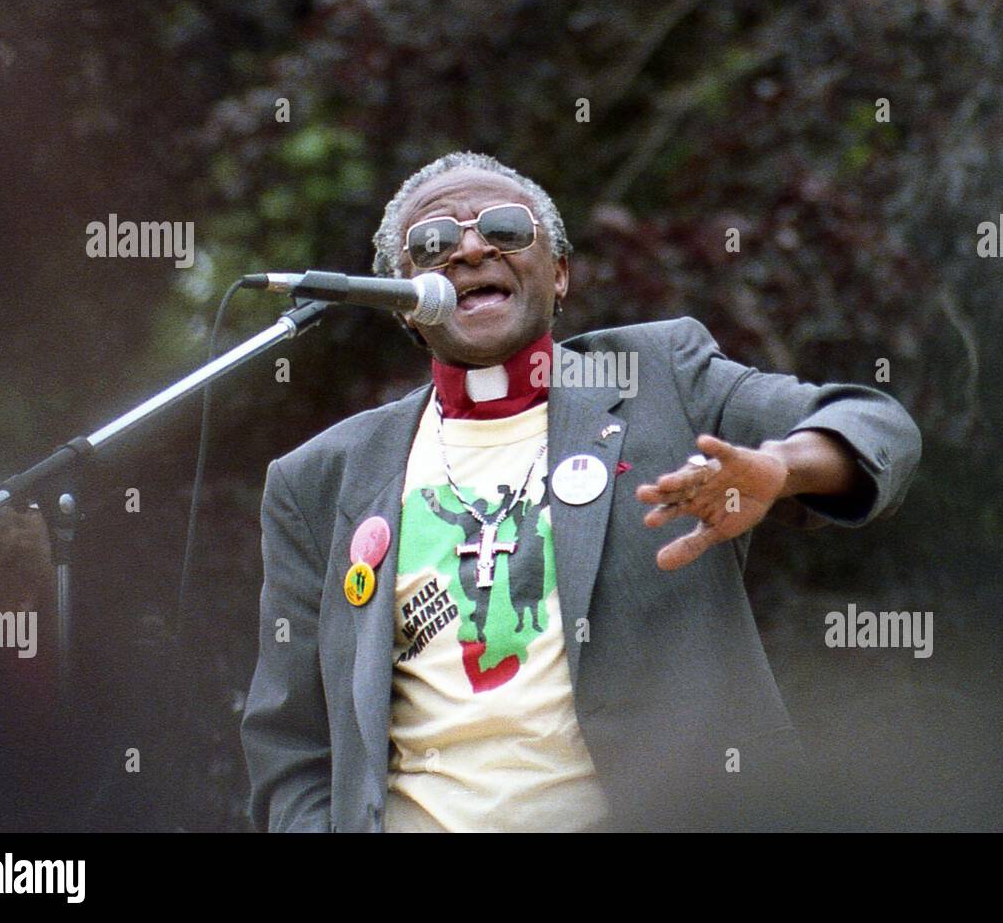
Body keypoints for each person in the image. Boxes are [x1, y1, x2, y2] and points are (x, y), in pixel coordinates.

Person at [240, 150, 921, 832]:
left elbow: (878, 426)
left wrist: (783, 466)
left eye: (506, 229)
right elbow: (295, 750)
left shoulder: (662, 379)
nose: (472, 247)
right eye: (435, 242)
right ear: (404, 301)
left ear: (559, 272)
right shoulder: (321, 479)